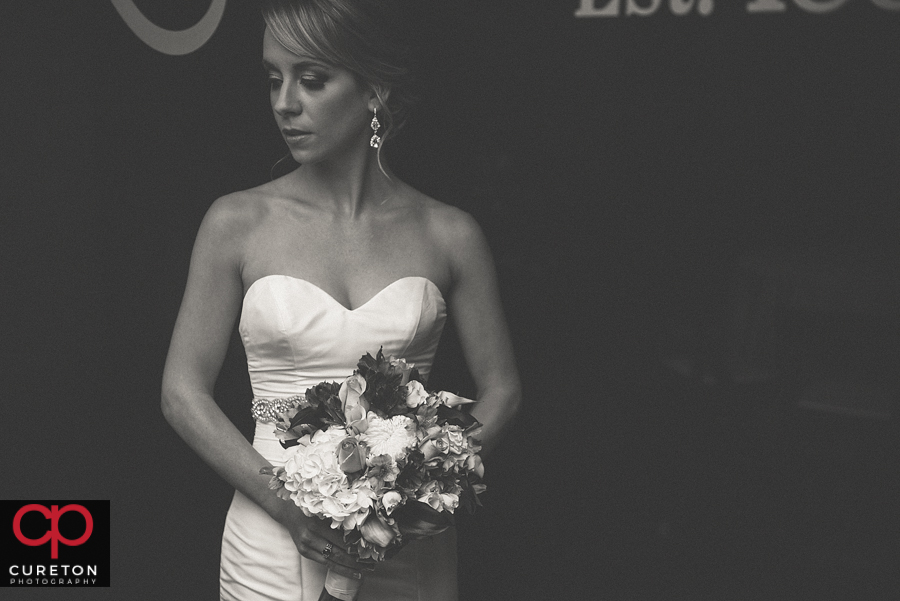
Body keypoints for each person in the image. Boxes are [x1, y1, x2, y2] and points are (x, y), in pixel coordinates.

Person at [160, 1, 522, 599]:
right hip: (271, 536)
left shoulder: (448, 233)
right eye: (273, 78)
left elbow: (504, 389)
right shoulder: (237, 221)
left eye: (311, 79)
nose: (284, 103)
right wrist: (287, 506)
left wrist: (417, 489)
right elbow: (181, 393)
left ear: (374, 88)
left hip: (404, 548)